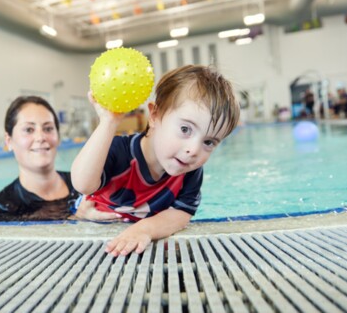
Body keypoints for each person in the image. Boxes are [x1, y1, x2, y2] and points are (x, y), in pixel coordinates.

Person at [71, 65, 240, 256]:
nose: (193, 150)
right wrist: (109, 122)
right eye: (185, 129)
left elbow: (181, 214)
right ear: (154, 115)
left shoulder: (190, 171)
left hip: (131, 238)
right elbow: (82, 184)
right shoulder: (119, 151)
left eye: (208, 142)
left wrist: (145, 229)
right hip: (90, 226)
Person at [0, 96, 120, 222]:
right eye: (29, 130)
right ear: (9, 140)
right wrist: (77, 219)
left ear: (58, 136)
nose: (41, 137)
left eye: (48, 128)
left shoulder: (91, 186)